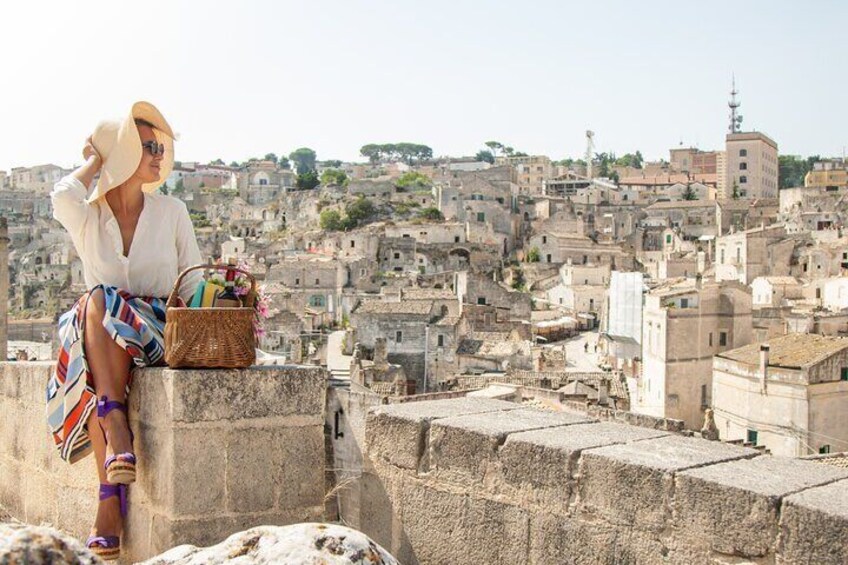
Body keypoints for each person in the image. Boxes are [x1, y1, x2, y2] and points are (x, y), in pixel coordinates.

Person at [46, 102, 202, 561]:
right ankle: (112, 479)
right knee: (98, 306)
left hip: (157, 327)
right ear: (124, 152)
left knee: (97, 306)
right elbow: (61, 196)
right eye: (146, 146)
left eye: (159, 146)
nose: (158, 155)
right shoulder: (89, 217)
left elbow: (191, 278)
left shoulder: (171, 210)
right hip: (105, 336)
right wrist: (96, 158)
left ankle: (111, 475)